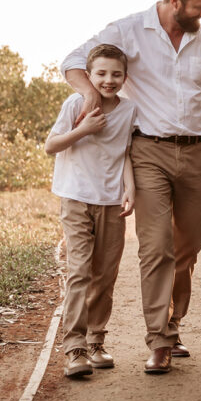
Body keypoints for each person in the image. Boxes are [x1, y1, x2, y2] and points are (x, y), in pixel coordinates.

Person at [61, 0, 201, 375]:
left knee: (188, 247)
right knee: (156, 247)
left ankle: (173, 327)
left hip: (195, 154)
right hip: (148, 152)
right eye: (197, 6)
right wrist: (89, 90)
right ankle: (158, 340)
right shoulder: (128, 31)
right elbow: (72, 59)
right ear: (174, 1)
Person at [45, 44, 139, 377]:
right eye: (100, 73)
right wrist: (83, 128)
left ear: (125, 77)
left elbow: (124, 152)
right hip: (76, 197)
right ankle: (75, 349)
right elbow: (50, 146)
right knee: (80, 271)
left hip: (111, 200)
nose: (108, 80)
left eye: (115, 74)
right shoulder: (76, 104)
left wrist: (130, 187)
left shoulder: (129, 111)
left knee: (105, 275)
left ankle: (97, 341)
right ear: (89, 75)